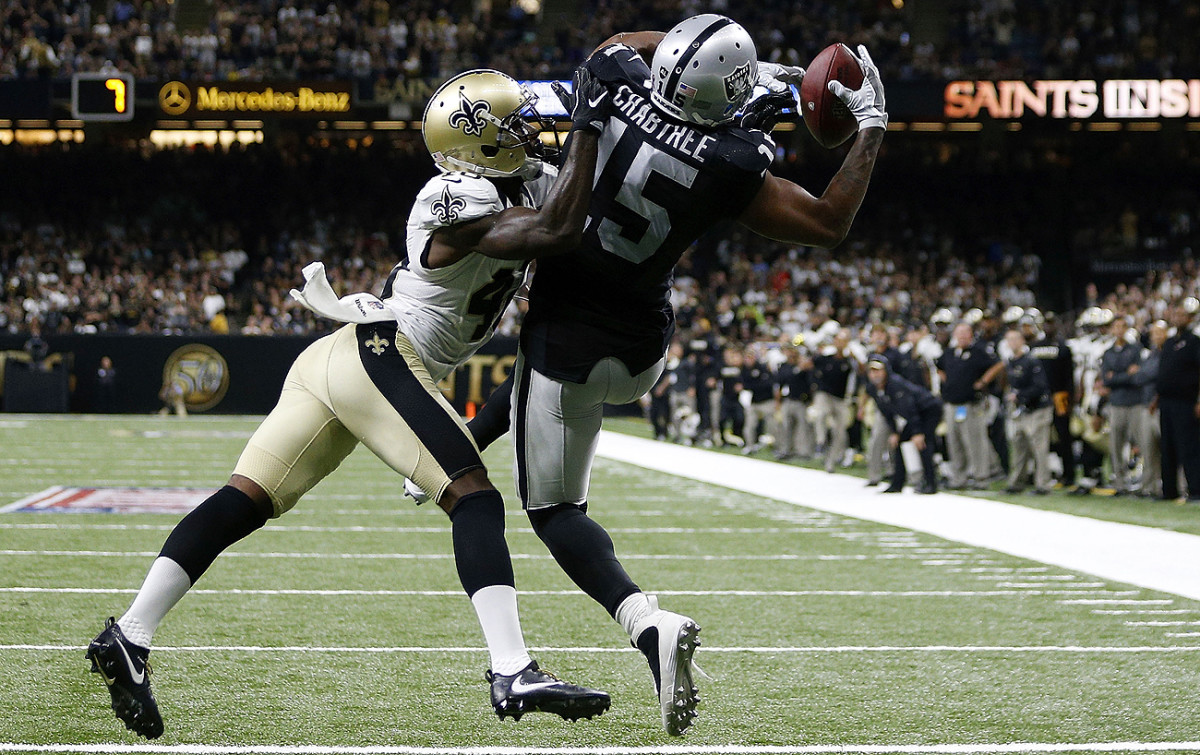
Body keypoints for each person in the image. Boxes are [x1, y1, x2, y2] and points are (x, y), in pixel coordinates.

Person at [84, 67, 613, 740]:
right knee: (474, 499)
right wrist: (593, 127)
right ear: (475, 144)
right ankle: (511, 667)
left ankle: (129, 634)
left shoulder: (522, 181)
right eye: (510, 126)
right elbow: (555, 231)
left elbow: (579, 188)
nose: (527, 133)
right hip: (379, 353)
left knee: (243, 499)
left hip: (343, 359)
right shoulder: (452, 195)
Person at [505, 15, 886, 737]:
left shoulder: (611, 79)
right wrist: (869, 125)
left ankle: (645, 621)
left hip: (567, 335)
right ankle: (476, 428)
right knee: (533, 403)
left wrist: (716, 66)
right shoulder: (737, 160)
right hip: (643, 347)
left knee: (554, 511)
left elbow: (633, 44)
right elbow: (830, 221)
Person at [864, 354, 941, 494]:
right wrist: (895, 432)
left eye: (878, 370)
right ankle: (897, 483)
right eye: (872, 371)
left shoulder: (895, 385)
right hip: (913, 414)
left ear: (886, 371)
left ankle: (931, 483)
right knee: (899, 443)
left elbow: (910, 408)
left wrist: (917, 432)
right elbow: (887, 412)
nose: (875, 375)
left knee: (923, 443)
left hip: (928, 410)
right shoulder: (873, 388)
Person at [936, 322, 998, 489]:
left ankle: (981, 478)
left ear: (971, 336)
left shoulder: (978, 352)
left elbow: (997, 365)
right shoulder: (949, 353)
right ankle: (959, 478)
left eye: (965, 334)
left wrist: (983, 381)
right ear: (955, 336)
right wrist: (947, 381)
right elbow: (938, 367)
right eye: (959, 334)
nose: (962, 337)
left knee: (975, 442)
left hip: (971, 404)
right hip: (951, 404)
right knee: (954, 443)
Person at [1152, 303, 1200, 501]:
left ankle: (1196, 490)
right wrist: (1156, 397)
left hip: (1186, 401)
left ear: (1189, 318)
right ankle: (1169, 491)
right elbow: (1164, 373)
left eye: (1182, 315)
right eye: (1176, 314)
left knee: (1188, 446)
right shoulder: (1170, 342)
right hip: (1166, 402)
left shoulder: (1194, 342)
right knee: (1167, 447)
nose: (1178, 318)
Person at [1001, 328, 1053, 494]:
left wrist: (1020, 396)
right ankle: (1016, 482)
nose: (1012, 343)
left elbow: (1040, 386)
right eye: (1009, 340)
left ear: (1022, 341)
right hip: (1021, 410)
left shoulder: (1032, 360)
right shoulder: (1011, 362)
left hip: (1038, 409)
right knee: (1018, 447)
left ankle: (1043, 485)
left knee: (1039, 448)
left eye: (1015, 339)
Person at [1098, 316, 1144, 495]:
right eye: (1115, 326)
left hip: (1134, 403)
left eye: (1122, 326)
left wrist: (1116, 377)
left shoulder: (1135, 349)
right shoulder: (1108, 352)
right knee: (1116, 445)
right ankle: (1120, 482)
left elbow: (1137, 377)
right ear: (1112, 329)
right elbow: (1106, 380)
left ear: (1126, 328)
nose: (1118, 330)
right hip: (1116, 403)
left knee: (1142, 443)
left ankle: (1144, 481)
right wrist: (1125, 374)